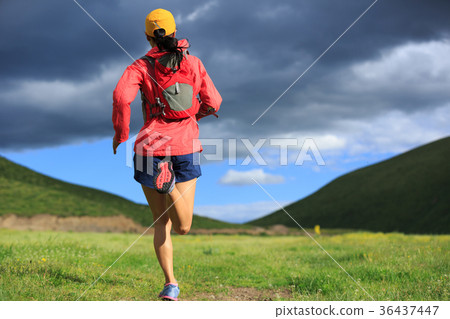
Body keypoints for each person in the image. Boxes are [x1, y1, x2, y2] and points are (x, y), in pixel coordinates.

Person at [112, 8, 222, 301]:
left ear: (148, 37)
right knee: (183, 226)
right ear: (175, 32)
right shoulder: (194, 63)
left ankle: (170, 284)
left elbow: (122, 98)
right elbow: (214, 102)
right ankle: (171, 184)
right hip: (185, 147)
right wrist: (195, 115)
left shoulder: (139, 67)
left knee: (161, 223)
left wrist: (121, 134)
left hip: (149, 148)